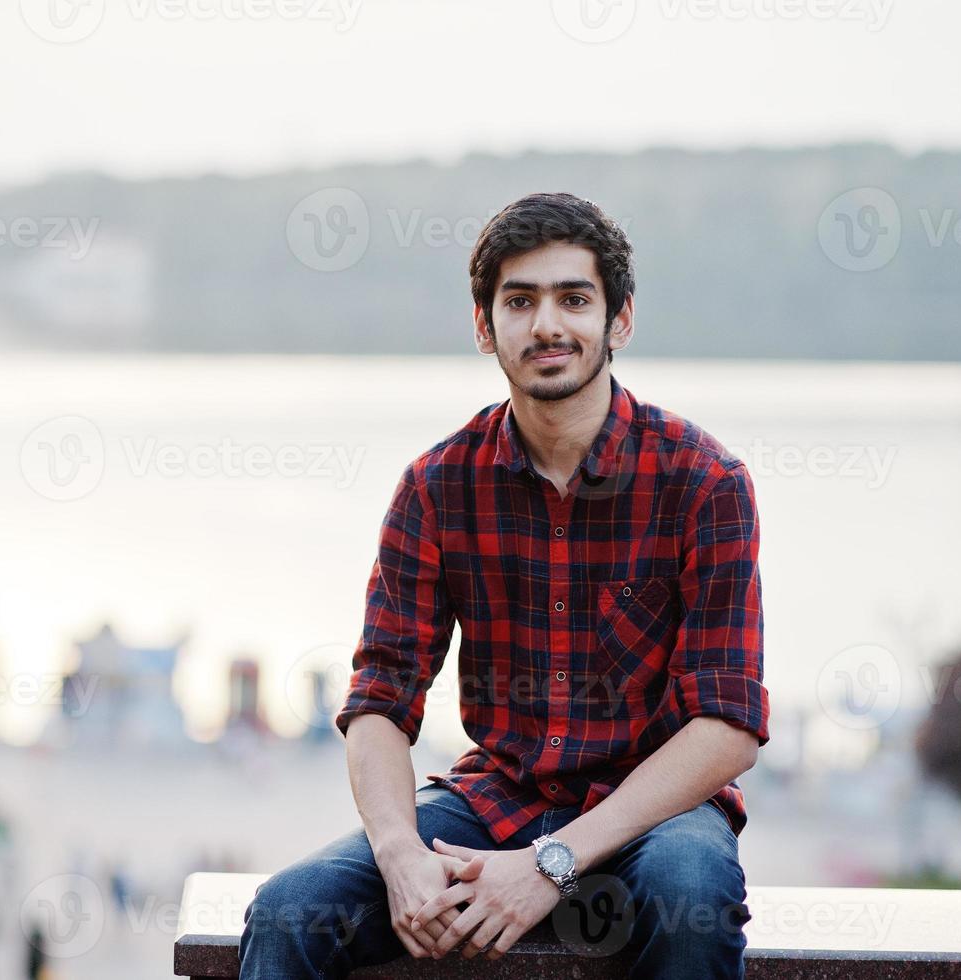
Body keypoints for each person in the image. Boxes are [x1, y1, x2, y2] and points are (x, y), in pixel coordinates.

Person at [239, 192, 770, 979]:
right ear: (485, 327)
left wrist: (551, 862)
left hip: (654, 814)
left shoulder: (703, 481)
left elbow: (726, 728)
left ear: (618, 321)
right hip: (495, 799)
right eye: (519, 301)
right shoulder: (436, 486)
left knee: (685, 891)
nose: (547, 325)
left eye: (573, 299)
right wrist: (399, 855)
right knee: (287, 914)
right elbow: (380, 699)